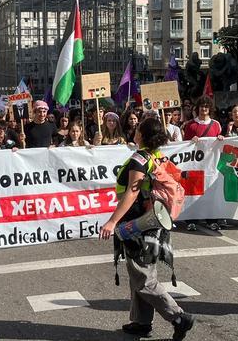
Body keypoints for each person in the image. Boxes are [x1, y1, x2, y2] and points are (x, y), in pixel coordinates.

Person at [100, 117, 195, 340]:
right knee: (140, 272)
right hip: (153, 219)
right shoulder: (157, 156)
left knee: (143, 277)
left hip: (138, 222)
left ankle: (179, 317)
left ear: (141, 134)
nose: (134, 130)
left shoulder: (139, 159)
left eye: (138, 128)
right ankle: (142, 323)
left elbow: (132, 192)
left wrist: (112, 221)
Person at [182, 96, 223, 231]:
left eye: (206, 106)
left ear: (210, 109)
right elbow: (184, 146)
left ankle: (212, 220)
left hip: (210, 166)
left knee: (210, 192)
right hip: (195, 165)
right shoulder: (190, 125)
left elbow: (221, 144)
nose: (204, 109)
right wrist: (190, 141)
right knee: (193, 193)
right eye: (201, 106)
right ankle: (191, 220)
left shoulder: (216, 125)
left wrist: (221, 138)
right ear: (197, 108)